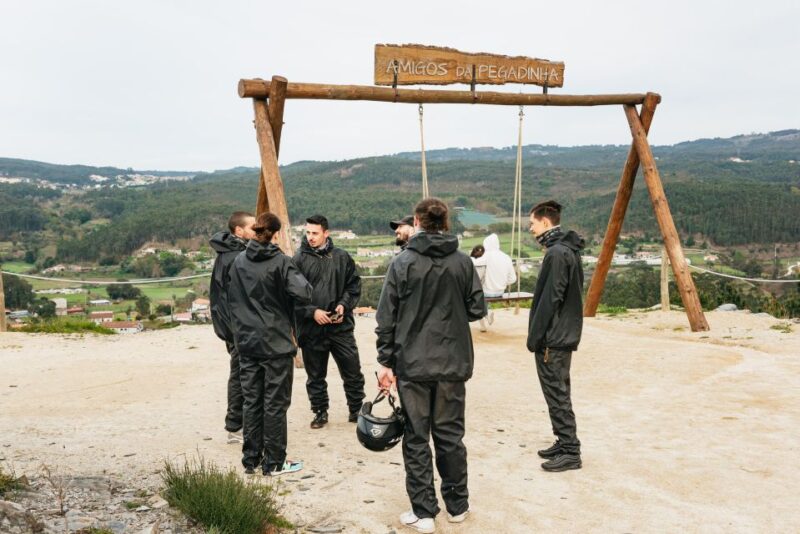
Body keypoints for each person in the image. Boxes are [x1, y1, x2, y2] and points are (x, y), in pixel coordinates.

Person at [376, 198, 487, 534]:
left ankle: (424, 512)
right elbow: (477, 309)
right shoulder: (463, 262)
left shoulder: (402, 262)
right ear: (446, 222)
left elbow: (386, 317)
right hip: (453, 362)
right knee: (451, 436)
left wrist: (385, 360)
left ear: (417, 221)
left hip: (412, 363)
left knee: (416, 437)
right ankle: (457, 506)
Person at [227, 212, 312, 476]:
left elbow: (231, 298)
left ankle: (250, 459)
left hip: (247, 343)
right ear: (276, 234)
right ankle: (274, 462)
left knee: (252, 401)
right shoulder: (281, 262)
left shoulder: (239, 261)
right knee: (275, 403)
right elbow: (304, 292)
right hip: (275, 343)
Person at [527, 200, 585, 472]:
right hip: (562, 332)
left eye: (532, 224)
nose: (530, 229)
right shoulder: (566, 249)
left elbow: (551, 299)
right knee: (558, 389)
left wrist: (535, 336)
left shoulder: (557, 253)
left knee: (556, 392)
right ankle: (563, 441)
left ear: (545, 223)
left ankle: (571, 450)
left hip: (554, 337)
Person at [293, 214, 366, 429]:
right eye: (308, 233)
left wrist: (344, 304)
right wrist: (312, 311)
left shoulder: (342, 257)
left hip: (340, 327)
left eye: (315, 233)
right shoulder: (298, 260)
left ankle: (356, 410)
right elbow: (292, 296)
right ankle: (319, 412)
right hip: (312, 329)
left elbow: (353, 286)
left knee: (352, 371)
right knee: (315, 376)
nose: (311, 237)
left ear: (326, 233)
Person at [209, 211, 255, 445]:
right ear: (239, 231)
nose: (256, 230)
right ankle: (236, 427)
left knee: (242, 374)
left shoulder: (229, 254)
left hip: (235, 327)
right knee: (241, 376)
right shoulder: (235, 257)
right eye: (252, 227)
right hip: (239, 328)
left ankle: (240, 424)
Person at [473, 234, 516, 330]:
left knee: (475, 295)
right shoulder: (506, 257)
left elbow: (474, 263)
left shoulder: (486, 256)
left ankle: (484, 320)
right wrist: (504, 282)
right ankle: (486, 317)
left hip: (487, 292)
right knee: (481, 295)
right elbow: (513, 279)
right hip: (500, 291)